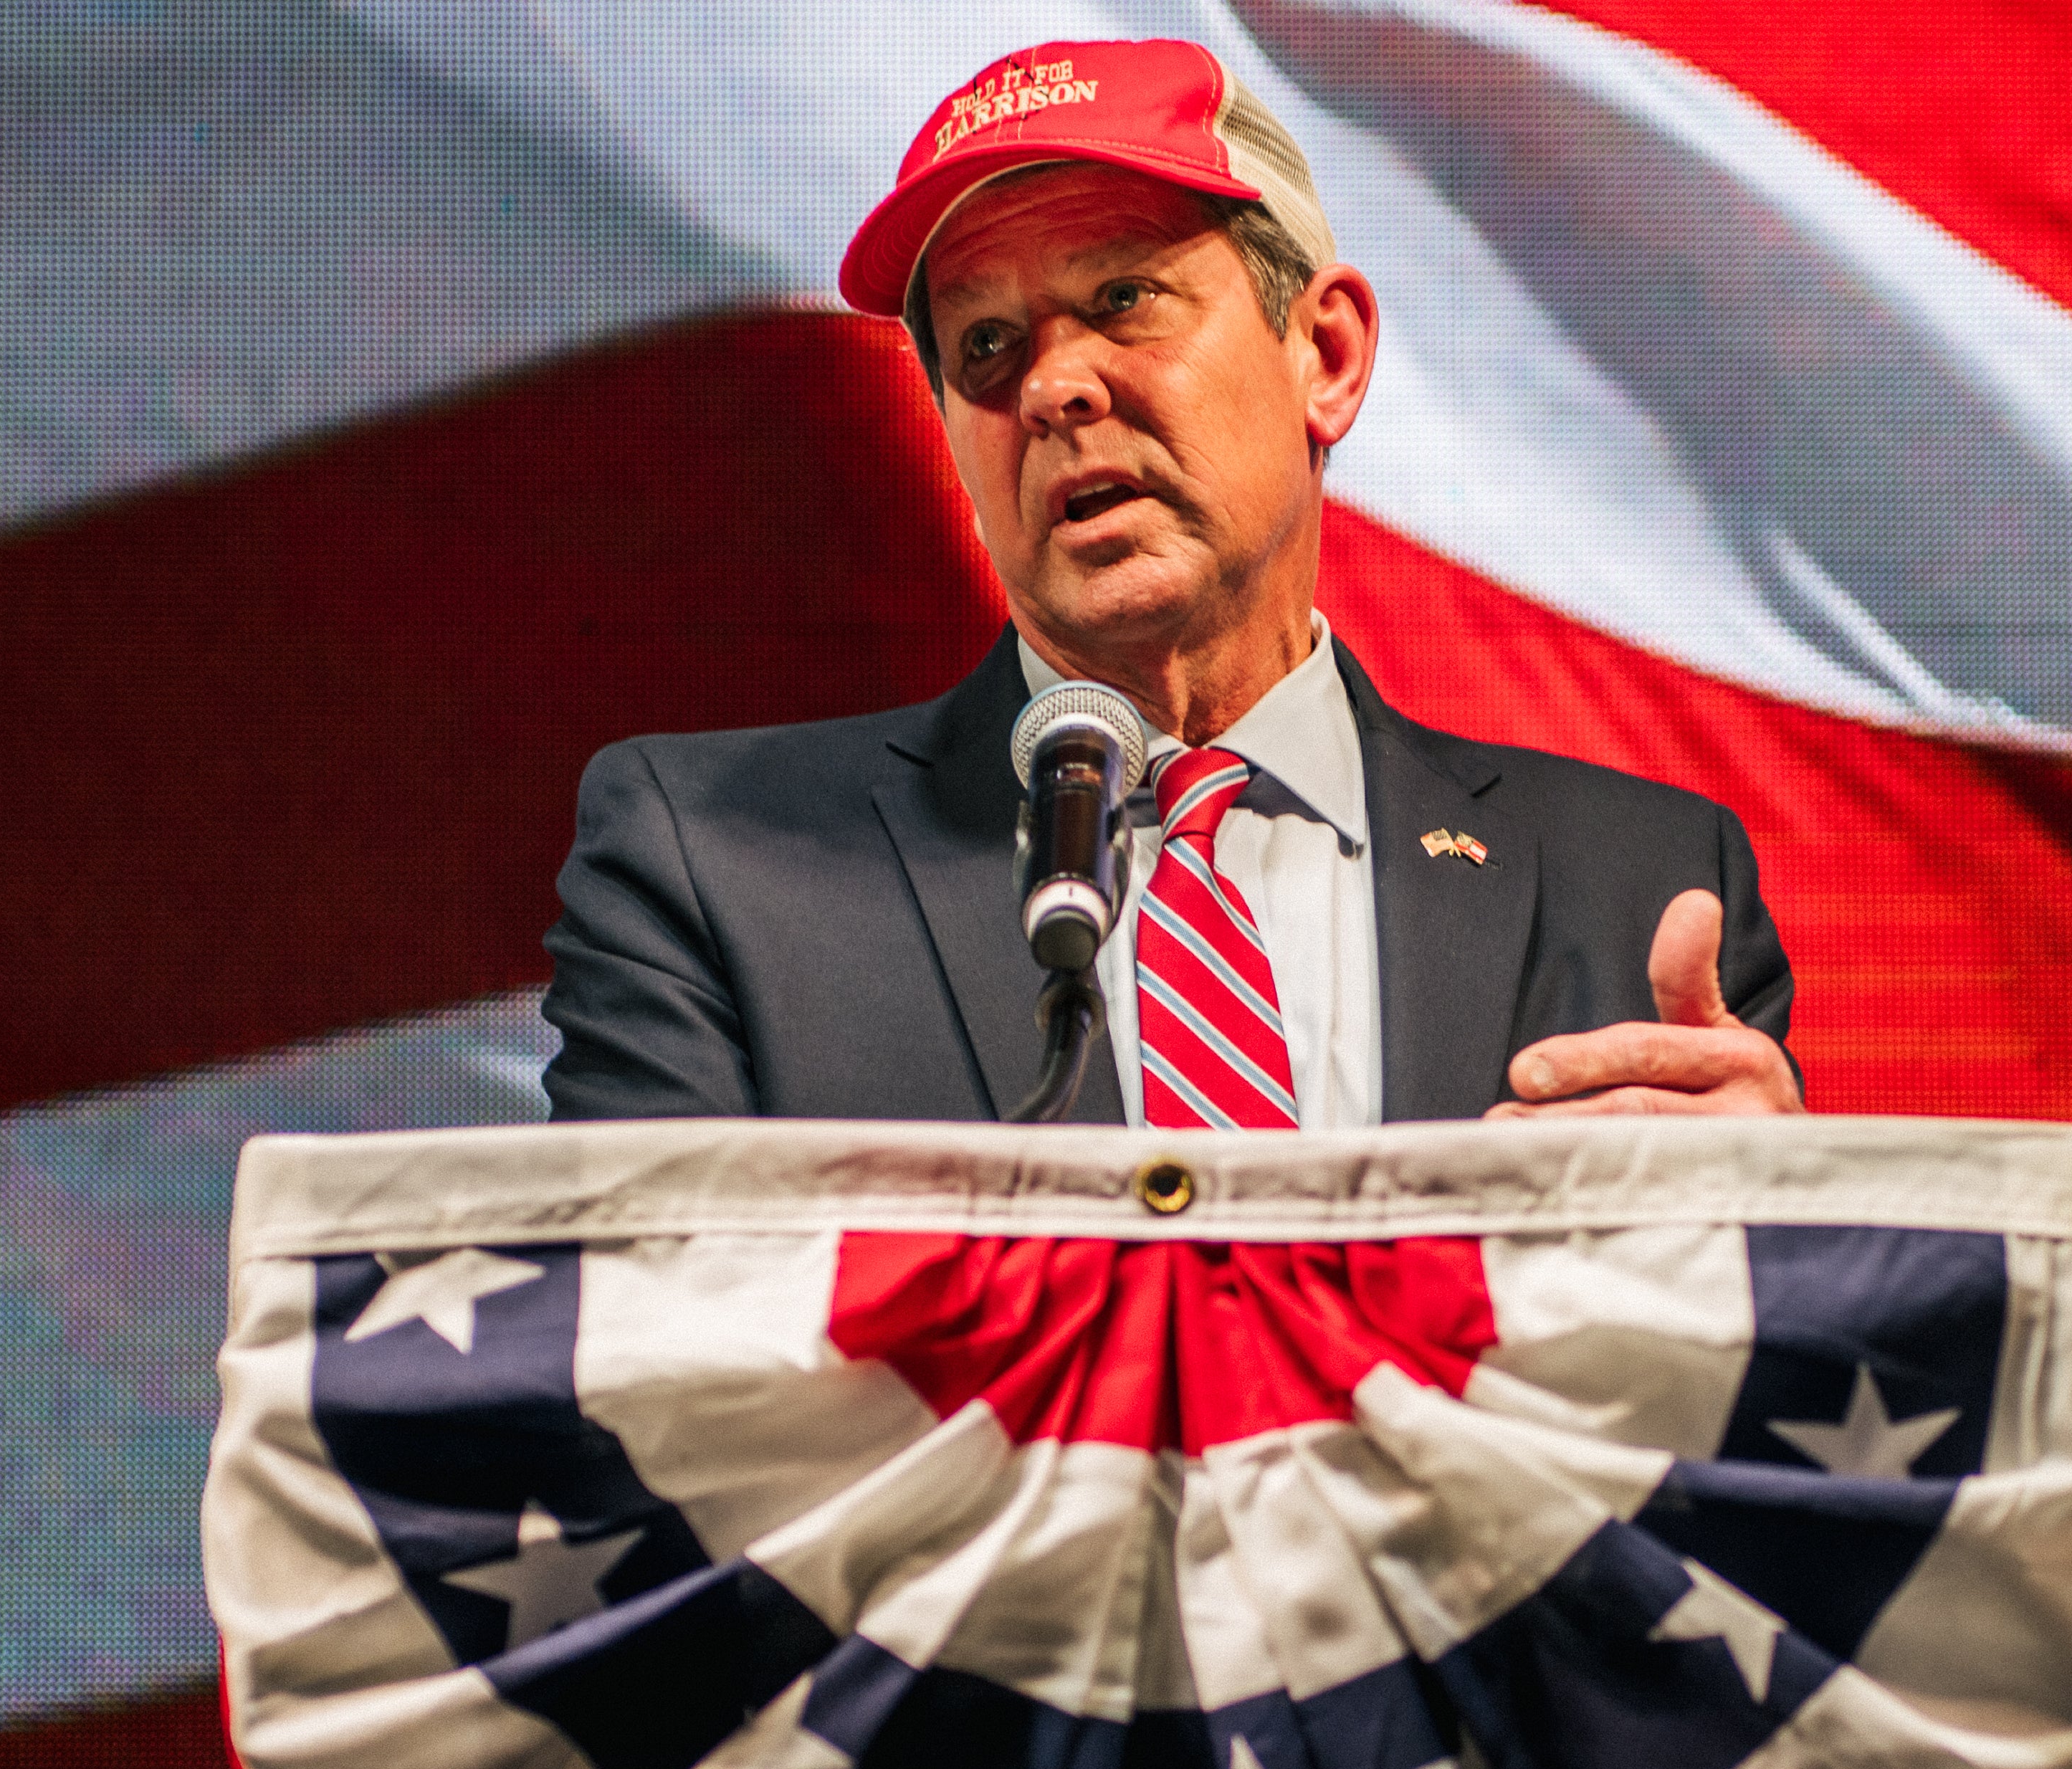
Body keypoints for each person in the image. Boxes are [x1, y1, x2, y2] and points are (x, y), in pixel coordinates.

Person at [543, 38, 1801, 1130]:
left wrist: (1790, 1245)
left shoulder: (1642, 889)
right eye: (985, 343)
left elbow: (1766, 1385)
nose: (1050, 389)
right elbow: (634, 1361)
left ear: (1327, 353)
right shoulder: (714, 866)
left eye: (1123, 298)